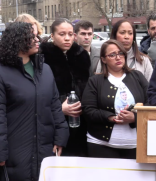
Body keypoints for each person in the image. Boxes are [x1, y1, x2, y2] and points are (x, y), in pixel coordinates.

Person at [0, 22, 69, 180]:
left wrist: (61, 138)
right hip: (15, 152)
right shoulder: (2, 72)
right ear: (17, 40)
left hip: (45, 149)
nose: (38, 39)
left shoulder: (45, 70)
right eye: (32, 36)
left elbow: (55, 107)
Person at [82, 39, 148, 159]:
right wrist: (111, 117)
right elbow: (88, 110)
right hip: (101, 144)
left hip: (135, 145)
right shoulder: (95, 81)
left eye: (121, 53)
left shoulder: (137, 76)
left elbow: (152, 104)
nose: (118, 57)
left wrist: (135, 118)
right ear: (103, 59)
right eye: (112, 55)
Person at [40, 18, 91, 157]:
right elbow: (41, 93)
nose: (67, 38)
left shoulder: (81, 55)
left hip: (81, 120)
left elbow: (88, 85)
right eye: (62, 34)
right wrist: (59, 109)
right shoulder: (43, 57)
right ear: (52, 36)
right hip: (54, 121)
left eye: (70, 34)